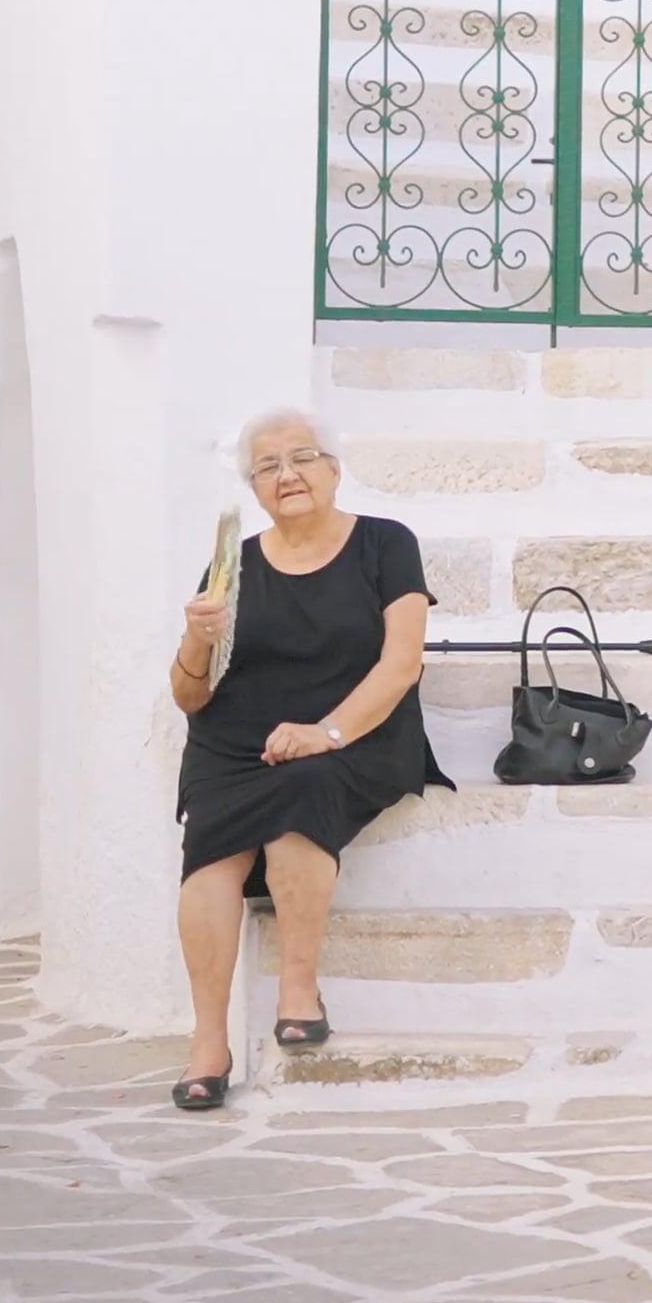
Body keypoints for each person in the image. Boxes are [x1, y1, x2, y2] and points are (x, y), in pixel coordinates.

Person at [163, 409, 452, 1111]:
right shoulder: (235, 563)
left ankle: (298, 987)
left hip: (353, 731)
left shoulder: (385, 545)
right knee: (211, 843)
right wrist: (196, 638)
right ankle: (209, 1042)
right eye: (268, 466)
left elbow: (401, 664)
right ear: (254, 489)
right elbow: (188, 695)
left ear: (332, 469)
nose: (287, 474)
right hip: (234, 740)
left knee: (304, 790)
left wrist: (326, 732)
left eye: (302, 457)